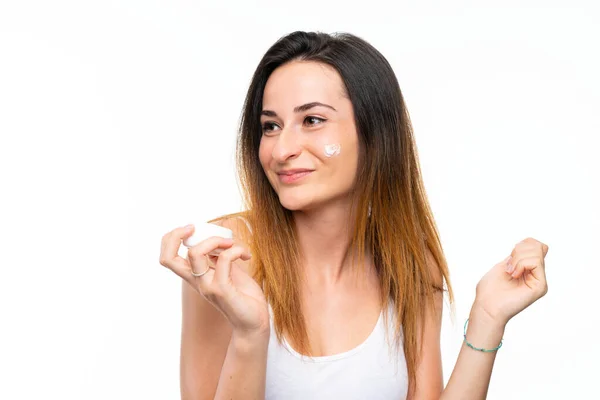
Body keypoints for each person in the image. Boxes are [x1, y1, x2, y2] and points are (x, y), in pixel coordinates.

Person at [159, 31, 549, 400]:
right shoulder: (225, 256)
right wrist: (251, 333)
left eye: (312, 120)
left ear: (374, 132)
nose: (281, 150)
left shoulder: (409, 263)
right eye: (271, 126)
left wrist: (487, 318)